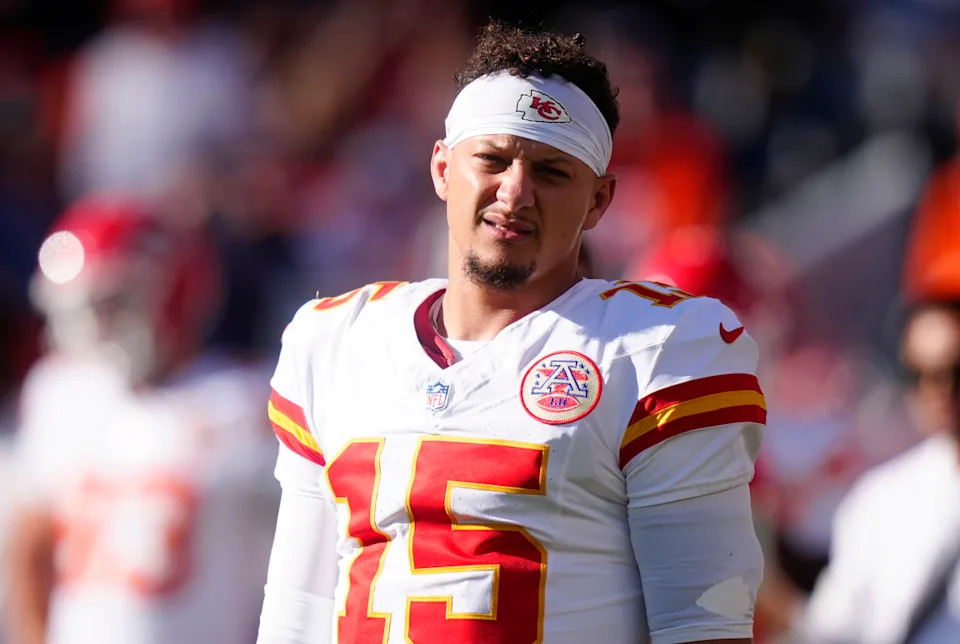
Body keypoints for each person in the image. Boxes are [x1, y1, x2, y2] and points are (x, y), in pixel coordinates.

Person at [257, 23, 766, 644]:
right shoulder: (335, 341)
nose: (516, 192)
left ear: (599, 200)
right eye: (492, 160)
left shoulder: (653, 350)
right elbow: (297, 610)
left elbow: (702, 623)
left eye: (551, 172)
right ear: (443, 168)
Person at [2, 197, 279, 644]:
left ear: (175, 291)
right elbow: (31, 545)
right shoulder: (62, 395)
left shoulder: (243, 403)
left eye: (112, 305)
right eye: (85, 308)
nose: (93, 327)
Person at [799, 300, 960, 643]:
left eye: (955, 371)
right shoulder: (880, 499)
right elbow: (831, 629)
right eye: (918, 374)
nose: (939, 389)